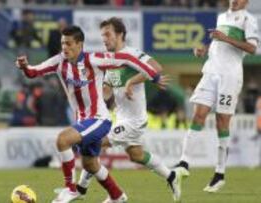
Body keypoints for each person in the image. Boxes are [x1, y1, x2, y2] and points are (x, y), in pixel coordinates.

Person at [16, 25, 164, 203]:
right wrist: (25, 67)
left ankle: (70, 190)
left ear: (80, 44)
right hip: (83, 120)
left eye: (69, 43)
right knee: (90, 164)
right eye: (63, 43)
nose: (65, 47)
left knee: (63, 140)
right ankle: (117, 196)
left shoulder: (94, 60)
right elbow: (34, 72)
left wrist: (153, 75)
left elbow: (125, 58)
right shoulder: (58, 61)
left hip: (99, 119)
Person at [69, 17, 182, 202]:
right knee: (136, 155)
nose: (104, 39)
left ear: (120, 34)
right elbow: (106, 92)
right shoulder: (110, 61)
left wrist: (131, 81)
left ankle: (81, 189)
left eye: (108, 34)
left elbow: (155, 67)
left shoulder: (133, 54)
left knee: (95, 141)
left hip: (134, 120)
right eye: (102, 35)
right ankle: (171, 176)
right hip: (120, 117)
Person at [175, 0, 260, 193]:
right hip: (211, 71)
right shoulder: (222, 16)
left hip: (230, 76)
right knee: (198, 115)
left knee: (222, 122)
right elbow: (217, 44)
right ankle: (184, 163)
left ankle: (220, 173)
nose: (234, 0)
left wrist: (226, 38)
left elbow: (252, 48)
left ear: (246, 1)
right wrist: (204, 50)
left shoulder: (249, 20)